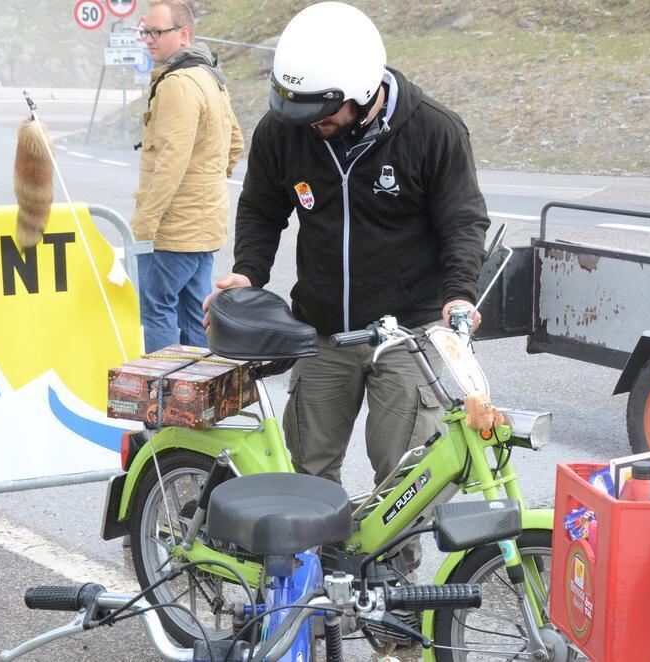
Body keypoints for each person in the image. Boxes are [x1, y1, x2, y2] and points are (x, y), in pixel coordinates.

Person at [209, 1, 489, 495]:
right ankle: (312, 569)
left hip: (405, 334)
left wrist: (460, 293)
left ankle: (397, 575)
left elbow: (463, 223)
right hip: (320, 331)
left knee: (405, 480)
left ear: (363, 90)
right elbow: (260, 209)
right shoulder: (285, 130)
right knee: (308, 472)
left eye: (321, 109)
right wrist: (248, 273)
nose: (309, 121)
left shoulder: (433, 131)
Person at [131, 0, 243, 352]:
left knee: (158, 309)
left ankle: (163, 399)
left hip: (173, 229)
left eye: (156, 32)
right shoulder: (210, 76)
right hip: (204, 225)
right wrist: (207, 184)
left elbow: (171, 161)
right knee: (193, 311)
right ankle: (196, 400)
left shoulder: (177, 83)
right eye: (145, 31)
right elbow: (236, 143)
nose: (148, 39)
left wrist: (145, 225)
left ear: (184, 34)